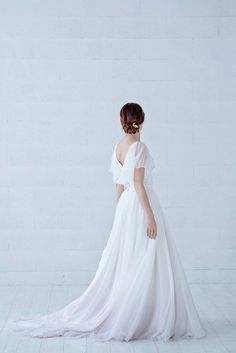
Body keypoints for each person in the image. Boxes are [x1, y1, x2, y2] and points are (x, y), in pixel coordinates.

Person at [7, 102, 207, 342]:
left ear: (122, 120)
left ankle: (138, 311)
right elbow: (140, 185)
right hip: (140, 206)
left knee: (128, 259)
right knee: (146, 257)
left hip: (125, 207)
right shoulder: (139, 147)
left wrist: (120, 215)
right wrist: (150, 216)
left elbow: (119, 186)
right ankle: (145, 314)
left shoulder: (118, 148)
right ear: (141, 120)